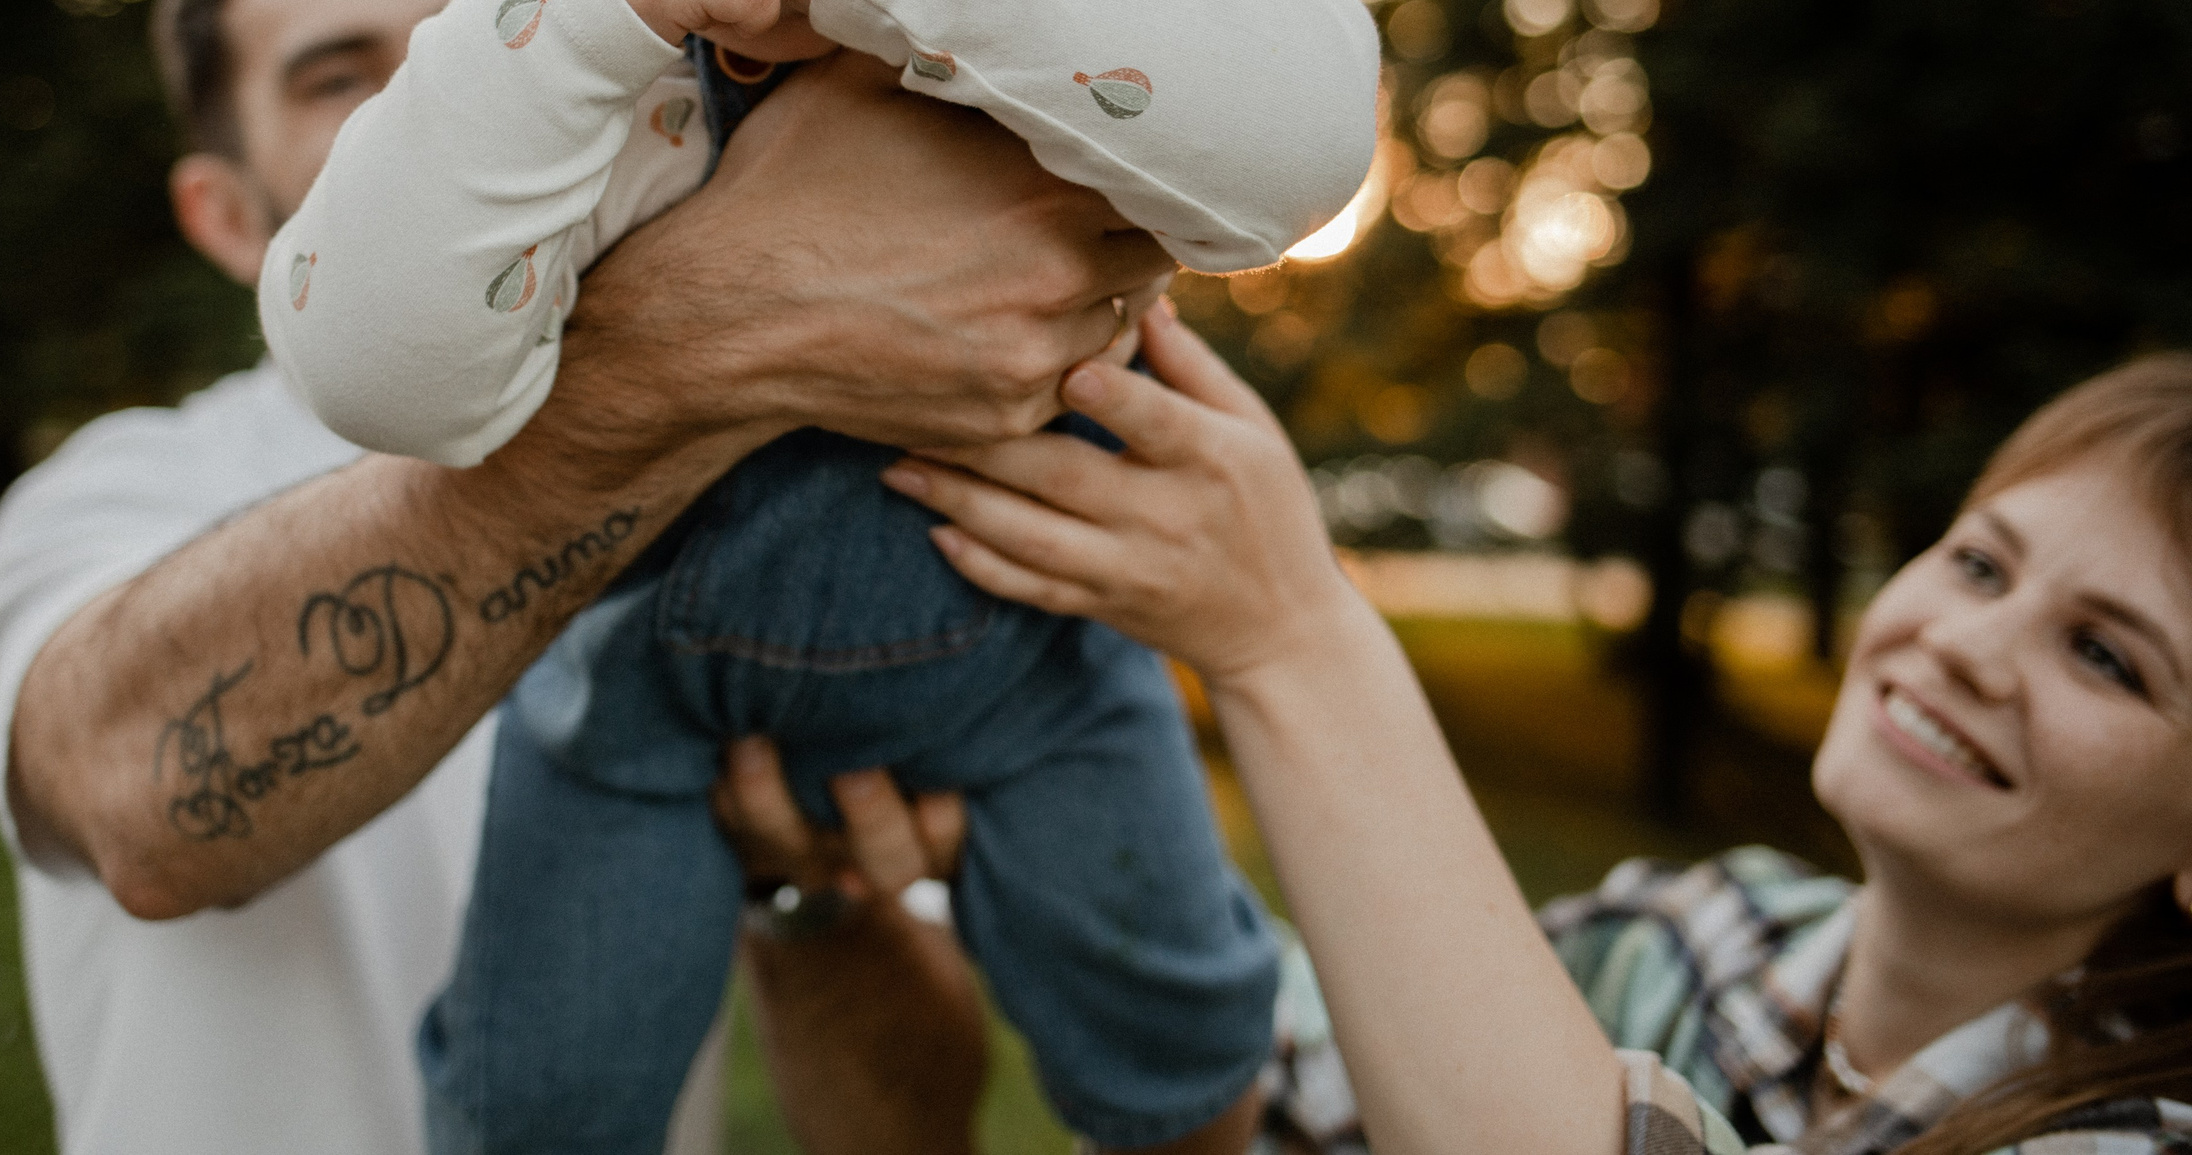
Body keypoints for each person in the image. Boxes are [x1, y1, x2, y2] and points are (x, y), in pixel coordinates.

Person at [256, 0, 1381, 1151]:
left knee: (1178, 1049)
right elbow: (370, 371)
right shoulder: (558, 76)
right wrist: (561, 11)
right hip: (639, 704)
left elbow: (1306, 133)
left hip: (1041, 646)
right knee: (537, 1101)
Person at [0, 0, 1179, 1155]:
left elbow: (913, 1131)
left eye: (483, 35)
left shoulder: (791, 470)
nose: (437, 106)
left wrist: (803, 901)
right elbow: (137, 809)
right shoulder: (125, 489)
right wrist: (698, 343)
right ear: (228, 219)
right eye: (338, 78)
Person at [832, 315, 2192, 1153]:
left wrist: (1294, 635)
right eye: (1979, 564)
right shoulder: (1696, 931)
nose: (1967, 645)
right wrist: (995, 848)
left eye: (2105, 656)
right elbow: (1283, 1075)